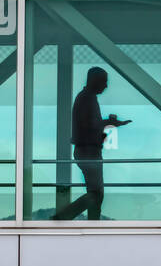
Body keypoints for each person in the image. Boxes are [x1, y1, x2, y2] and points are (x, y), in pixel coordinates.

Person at [52, 66, 130, 220]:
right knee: (96, 194)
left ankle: (88, 222)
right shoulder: (87, 98)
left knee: (95, 193)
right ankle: (67, 218)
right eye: (104, 82)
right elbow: (90, 125)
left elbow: (89, 125)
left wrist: (108, 123)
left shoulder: (86, 97)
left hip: (87, 150)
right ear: (95, 81)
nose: (106, 86)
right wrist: (109, 122)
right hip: (88, 151)